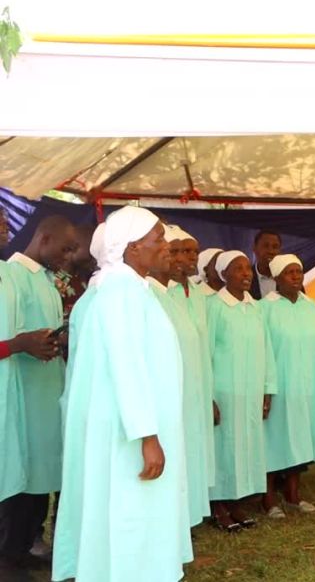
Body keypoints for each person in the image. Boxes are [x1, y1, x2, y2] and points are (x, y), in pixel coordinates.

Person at [52, 206, 192, 582]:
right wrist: (147, 435)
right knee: (128, 512)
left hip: (126, 424)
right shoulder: (119, 292)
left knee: (125, 512)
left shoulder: (123, 290)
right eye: (158, 239)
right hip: (127, 431)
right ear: (131, 249)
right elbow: (126, 366)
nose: (166, 246)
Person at [2, 215, 75, 567]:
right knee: (21, 476)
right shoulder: (14, 275)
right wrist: (22, 344)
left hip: (46, 391)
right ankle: (14, 552)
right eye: (66, 248)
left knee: (40, 476)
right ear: (44, 238)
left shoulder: (47, 279)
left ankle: (29, 543)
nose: (69, 256)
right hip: (22, 395)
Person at [0, 208, 56, 581]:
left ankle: (15, 551)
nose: (5, 227)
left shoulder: (7, 274)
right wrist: (16, 344)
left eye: (4, 220)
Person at [207, 251, 278, 531]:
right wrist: (208, 396)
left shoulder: (256, 307)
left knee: (246, 446)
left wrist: (267, 390)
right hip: (224, 391)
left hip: (251, 390)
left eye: (248, 269)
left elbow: (267, 350)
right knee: (224, 446)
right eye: (238, 269)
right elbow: (206, 352)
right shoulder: (215, 306)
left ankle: (237, 502)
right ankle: (218, 506)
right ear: (224, 275)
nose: (246, 274)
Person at [155, 225, 215, 529]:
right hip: (171, 392)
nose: (184, 258)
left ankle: (189, 520)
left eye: (191, 251)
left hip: (197, 389)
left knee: (193, 450)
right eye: (176, 250)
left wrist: (210, 393)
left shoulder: (201, 294)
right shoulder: (157, 293)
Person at [260, 254, 315, 518]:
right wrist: (266, 388)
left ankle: (293, 495)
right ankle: (268, 498)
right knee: (273, 439)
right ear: (276, 277)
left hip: (306, 384)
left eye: (299, 271)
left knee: (300, 437)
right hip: (279, 386)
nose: (296, 276)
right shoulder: (265, 307)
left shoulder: (311, 306)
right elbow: (262, 351)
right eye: (290, 272)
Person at [250, 230, 282, 300]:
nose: (270, 251)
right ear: (254, 249)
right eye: (265, 246)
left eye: (275, 247)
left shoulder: (288, 279)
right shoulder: (245, 278)